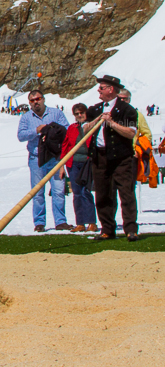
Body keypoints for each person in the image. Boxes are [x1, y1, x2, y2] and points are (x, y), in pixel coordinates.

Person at [83, 75, 139, 242]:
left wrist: (112, 123)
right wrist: (97, 120)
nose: (98, 90)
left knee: (126, 193)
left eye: (102, 87)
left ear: (111, 89)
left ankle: (130, 229)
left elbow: (131, 133)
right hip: (100, 157)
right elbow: (85, 129)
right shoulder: (95, 109)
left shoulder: (127, 109)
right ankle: (107, 229)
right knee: (102, 194)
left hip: (121, 158)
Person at [17, 89, 71, 232]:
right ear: (29, 103)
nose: (36, 102)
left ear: (43, 99)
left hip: (55, 158)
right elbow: (21, 135)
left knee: (58, 191)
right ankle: (39, 223)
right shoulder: (26, 117)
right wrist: (36, 130)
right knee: (37, 192)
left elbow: (67, 130)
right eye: (32, 100)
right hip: (37, 159)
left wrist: (52, 131)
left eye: (38, 99)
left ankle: (60, 221)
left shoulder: (56, 113)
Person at [58, 104, 97, 233]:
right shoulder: (72, 128)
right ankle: (80, 223)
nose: (79, 115)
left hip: (87, 163)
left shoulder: (92, 126)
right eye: (77, 113)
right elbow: (65, 146)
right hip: (73, 163)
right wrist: (62, 165)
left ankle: (91, 222)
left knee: (86, 192)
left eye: (82, 113)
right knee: (77, 193)